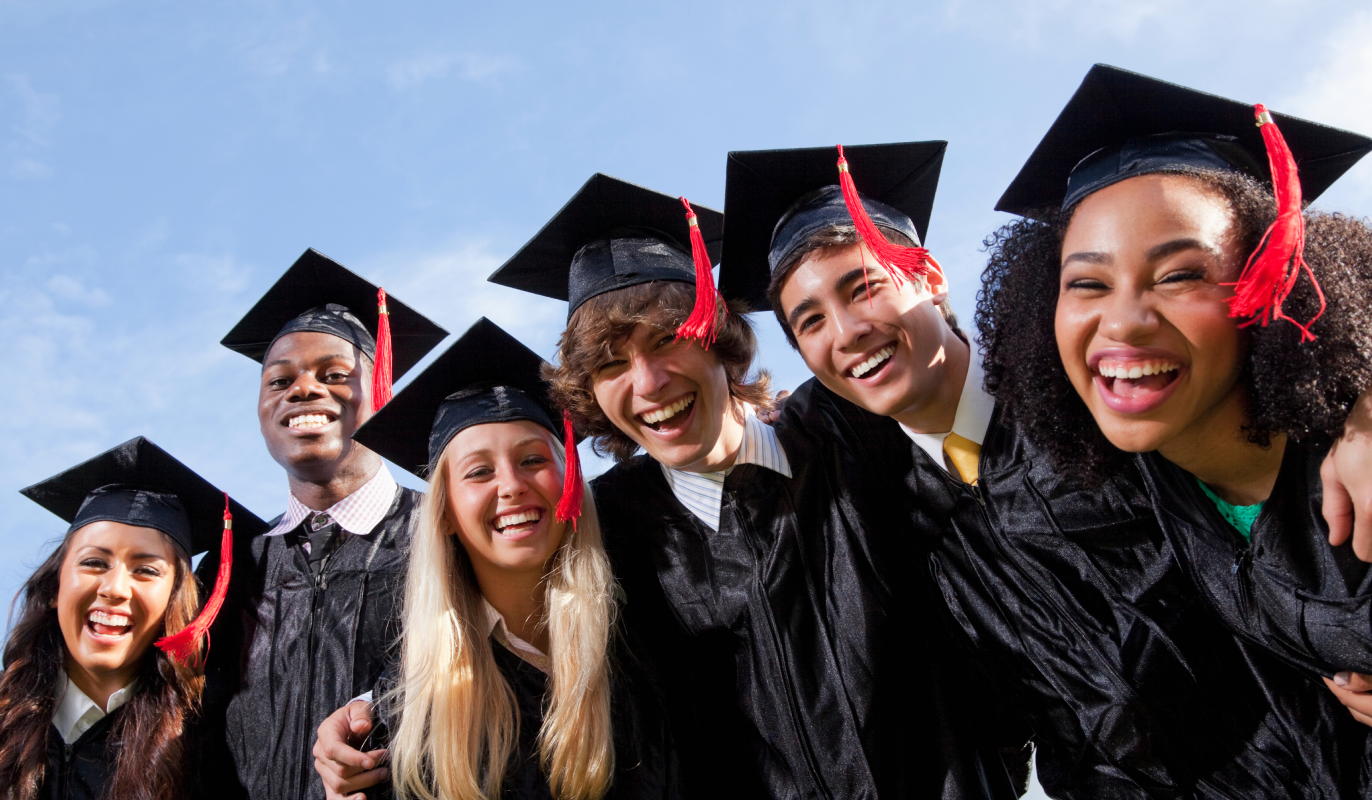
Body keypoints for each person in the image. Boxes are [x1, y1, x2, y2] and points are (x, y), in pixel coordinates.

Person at [737, 132, 1372, 796]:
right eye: (810, 323)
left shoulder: (1103, 387)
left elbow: (1271, 356)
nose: (846, 331)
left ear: (927, 274)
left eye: (863, 287)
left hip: (1321, 759)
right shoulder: (885, 518)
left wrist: (1363, 401)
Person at [492, 174, 1020, 798]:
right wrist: (361, 720)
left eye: (667, 340)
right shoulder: (610, 533)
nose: (649, 382)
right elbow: (506, 637)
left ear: (720, 342)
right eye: (610, 365)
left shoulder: (859, 432)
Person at [977, 64, 1372, 792]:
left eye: (1179, 274)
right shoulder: (1160, 483)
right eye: (1087, 284)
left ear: (1276, 277)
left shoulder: (1354, 458)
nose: (1123, 320)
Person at [314, 316, 680, 800]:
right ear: (444, 513)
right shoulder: (405, 715)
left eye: (534, 460)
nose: (511, 485)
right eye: (479, 471)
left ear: (569, 479)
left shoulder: (653, 639)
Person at [198, 249, 447, 800]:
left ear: (383, 389)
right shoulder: (229, 566)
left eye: (335, 374)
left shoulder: (444, 529)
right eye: (277, 381)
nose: (302, 390)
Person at [2, 436, 267, 800]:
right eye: (94, 563)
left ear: (179, 603)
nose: (115, 588)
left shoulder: (214, 740)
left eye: (146, 570)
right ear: (53, 588)